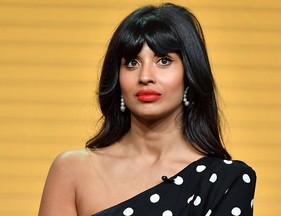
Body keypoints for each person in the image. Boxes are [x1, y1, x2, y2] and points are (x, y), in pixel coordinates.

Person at [38, 3, 256, 216]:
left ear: (189, 74)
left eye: (163, 60)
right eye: (132, 63)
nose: (145, 77)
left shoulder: (225, 180)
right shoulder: (72, 171)